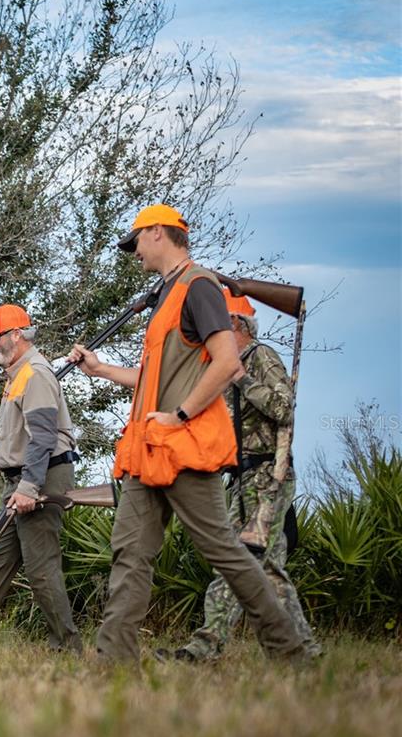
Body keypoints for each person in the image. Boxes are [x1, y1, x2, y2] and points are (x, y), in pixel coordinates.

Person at [65, 204, 310, 663]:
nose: (133, 251)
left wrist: (179, 415)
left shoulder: (198, 286)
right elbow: (154, 377)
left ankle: (291, 651)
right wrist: (99, 370)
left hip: (183, 447)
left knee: (226, 553)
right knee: (130, 553)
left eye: (136, 239)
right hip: (148, 452)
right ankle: (113, 662)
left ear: (158, 233)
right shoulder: (169, 293)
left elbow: (228, 363)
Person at [171, 293, 321, 660]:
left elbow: (284, 408)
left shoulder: (261, 358)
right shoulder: (223, 366)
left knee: (239, 560)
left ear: (235, 327)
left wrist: (242, 381)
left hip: (269, 474)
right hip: (242, 478)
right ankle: (303, 651)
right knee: (267, 570)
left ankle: (204, 647)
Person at [0, 304, 81, 650]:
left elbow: (42, 438)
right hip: (23, 479)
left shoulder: (35, 374)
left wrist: (28, 487)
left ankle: (67, 648)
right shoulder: (18, 374)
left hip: (40, 477)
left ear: (16, 335)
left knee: (41, 568)